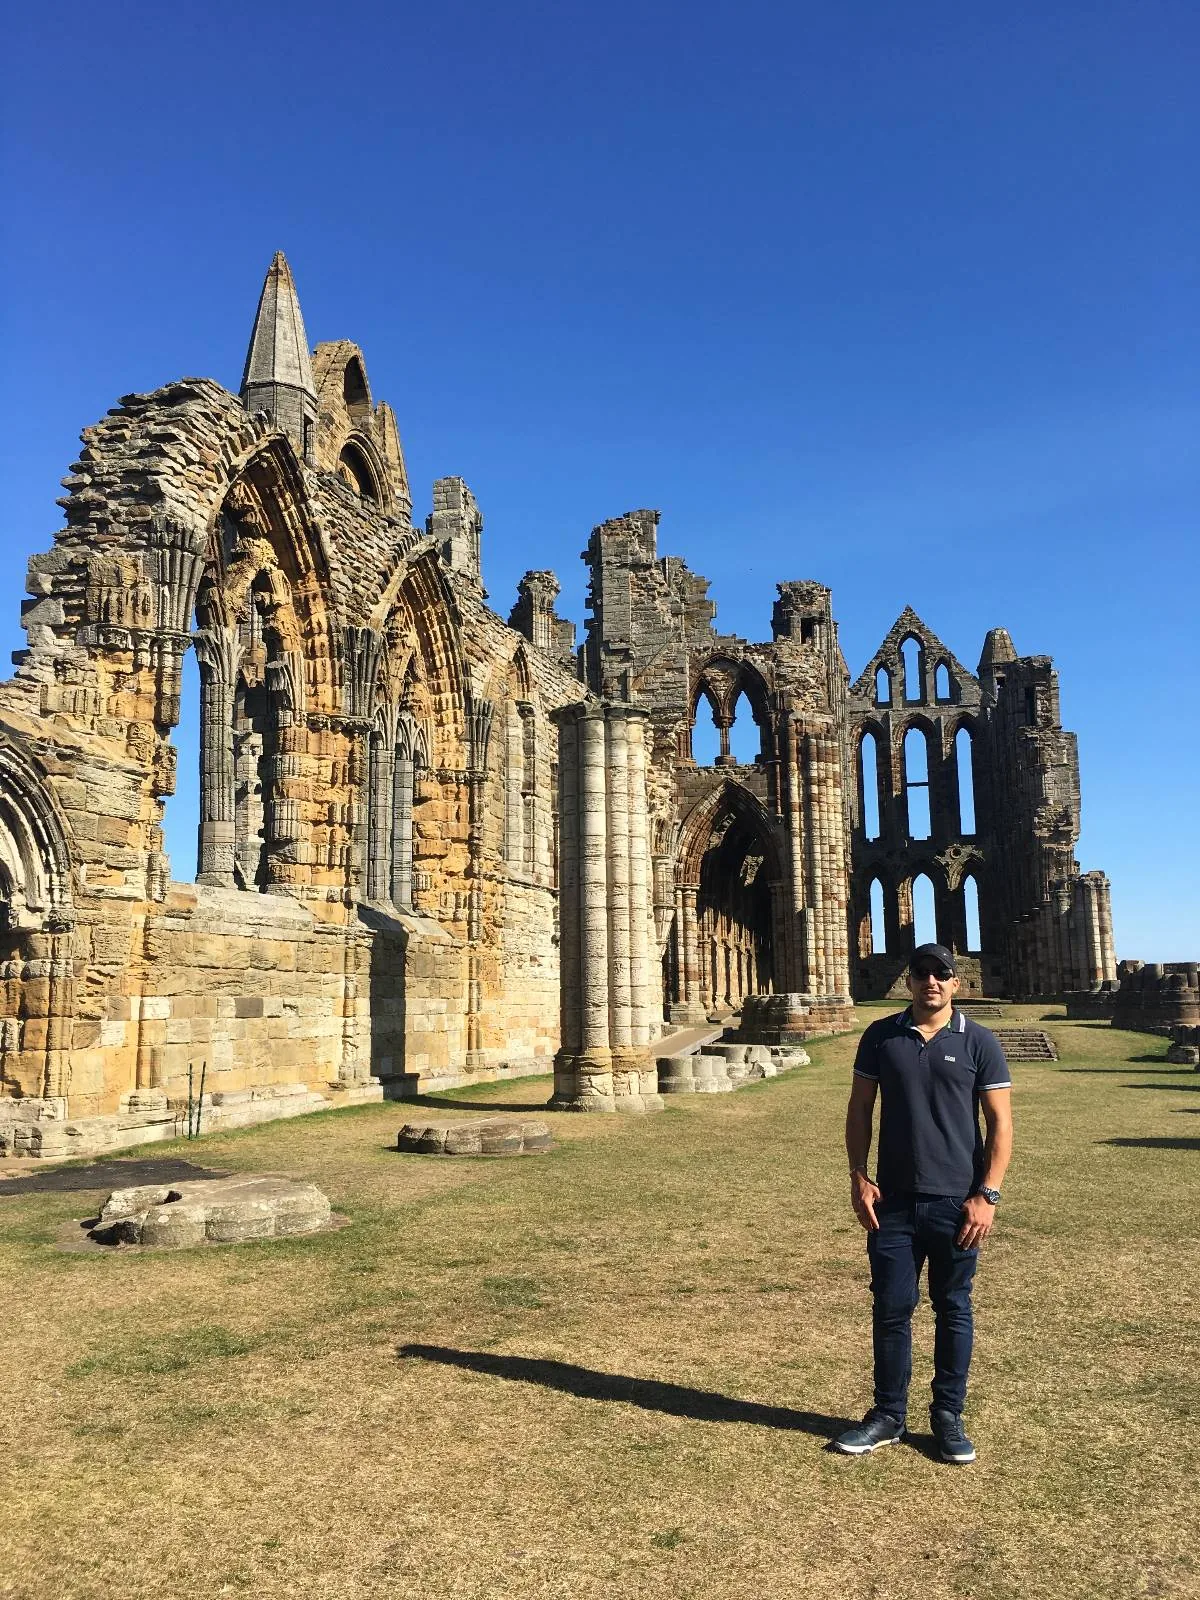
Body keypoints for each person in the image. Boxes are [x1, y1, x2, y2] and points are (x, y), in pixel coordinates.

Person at [832, 943, 1013, 1464]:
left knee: (953, 1307)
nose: (931, 982)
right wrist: (858, 1177)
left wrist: (988, 1194)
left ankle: (948, 1418)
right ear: (907, 982)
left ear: (957, 983)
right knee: (891, 1308)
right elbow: (860, 1107)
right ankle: (888, 1415)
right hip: (892, 1202)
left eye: (942, 974)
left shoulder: (979, 1041)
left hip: (958, 1203)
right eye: (921, 974)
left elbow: (1000, 1123)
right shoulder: (881, 1036)